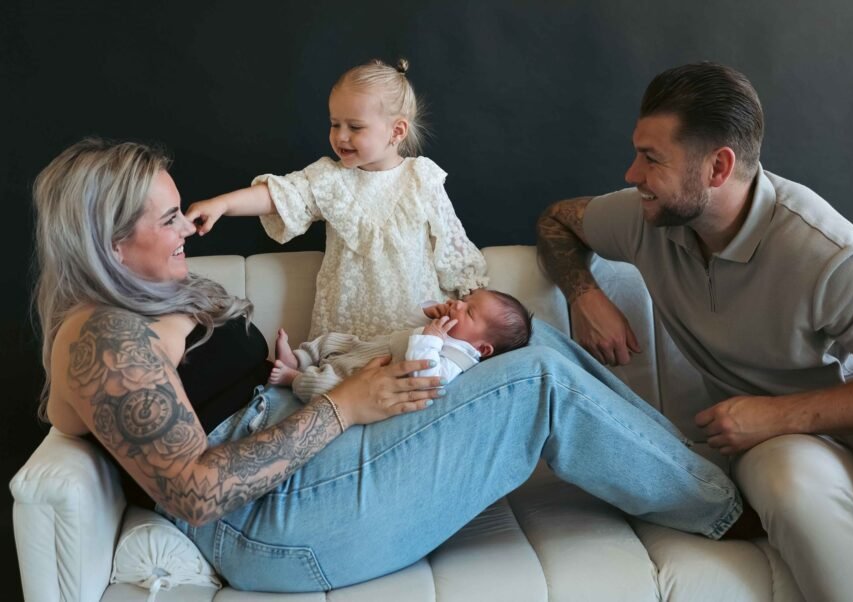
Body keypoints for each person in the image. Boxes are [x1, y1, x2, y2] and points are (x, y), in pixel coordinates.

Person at [32, 137, 744, 593]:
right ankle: (730, 513)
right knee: (538, 383)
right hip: (272, 524)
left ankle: (688, 464)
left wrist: (303, 379)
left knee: (532, 341)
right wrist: (345, 403)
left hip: (304, 458)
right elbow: (195, 494)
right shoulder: (101, 337)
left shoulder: (146, 300)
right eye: (166, 220)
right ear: (110, 244)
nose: (186, 226)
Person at [536, 62, 853, 602]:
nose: (632, 173)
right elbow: (557, 219)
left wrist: (776, 414)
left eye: (652, 158)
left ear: (718, 167)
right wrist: (585, 294)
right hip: (791, 448)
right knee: (792, 490)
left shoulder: (826, 253)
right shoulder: (643, 219)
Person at [184, 58, 488, 341]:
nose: (341, 136)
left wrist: (474, 303)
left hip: (415, 328)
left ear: (396, 131)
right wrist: (222, 204)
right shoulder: (330, 178)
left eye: (355, 127)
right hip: (344, 329)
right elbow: (280, 195)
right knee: (335, 371)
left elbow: (453, 246)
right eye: (334, 124)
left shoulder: (421, 179)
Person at [270, 289, 532, 403]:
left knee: (328, 387)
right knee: (331, 340)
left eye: (470, 312)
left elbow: (424, 376)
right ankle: (298, 359)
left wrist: (432, 338)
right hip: (369, 347)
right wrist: (426, 313)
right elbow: (407, 327)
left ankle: (293, 378)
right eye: (466, 299)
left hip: (365, 374)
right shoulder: (446, 328)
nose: (459, 304)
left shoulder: (457, 359)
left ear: (483, 348)